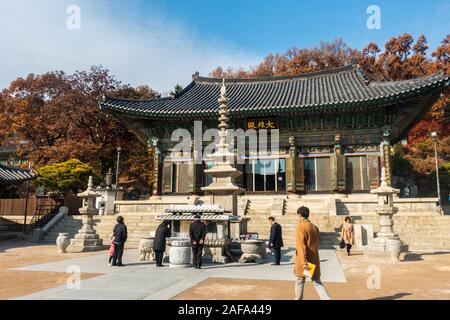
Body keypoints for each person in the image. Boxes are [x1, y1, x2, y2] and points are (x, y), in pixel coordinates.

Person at [294, 206, 330, 300]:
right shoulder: (314, 227)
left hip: (304, 260)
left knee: (300, 281)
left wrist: (304, 262)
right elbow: (317, 242)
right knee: (317, 282)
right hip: (313, 258)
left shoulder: (301, 226)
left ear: (300, 215)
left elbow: (301, 245)